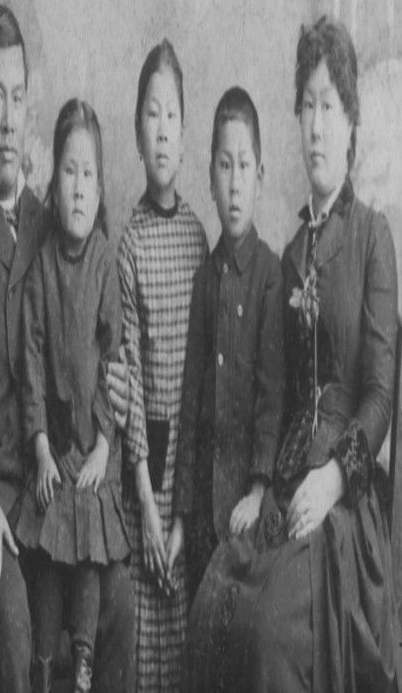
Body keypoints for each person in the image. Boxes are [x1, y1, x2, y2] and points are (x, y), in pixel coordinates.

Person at [0, 4, 133, 692]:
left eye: (18, 97)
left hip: (54, 494)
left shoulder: (51, 221)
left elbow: (96, 335)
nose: (9, 119)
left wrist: (114, 388)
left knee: (119, 604)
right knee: (13, 619)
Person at [185, 16, 400, 692]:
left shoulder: (372, 237)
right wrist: (260, 491)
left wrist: (334, 478)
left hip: (344, 502)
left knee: (269, 630)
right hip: (286, 483)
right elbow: (278, 395)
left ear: (351, 122)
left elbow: (381, 393)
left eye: (329, 107)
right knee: (214, 604)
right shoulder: (291, 253)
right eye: (307, 107)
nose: (316, 127)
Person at [15, 98, 130, 693]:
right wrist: (39, 447)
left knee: (87, 552)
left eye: (89, 174)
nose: (79, 187)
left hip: (92, 456)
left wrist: (106, 447)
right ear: (53, 185)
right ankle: (42, 667)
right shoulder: (40, 269)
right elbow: (31, 363)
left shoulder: (106, 263)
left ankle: (82, 666)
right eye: (69, 172)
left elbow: (115, 359)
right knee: (44, 555)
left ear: (100, 186)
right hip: (54, 453)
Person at [118, 39, 207, 691]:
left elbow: (201, 386)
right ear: (138, 132)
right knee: (141, 641)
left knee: (186, 647)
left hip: (188, 479)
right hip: (142, 474)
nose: (163, 129)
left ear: (185, 129)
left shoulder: (199, 238)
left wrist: (179, 519)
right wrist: (149, 506)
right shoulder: (128, 244)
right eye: (152, 114)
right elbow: (130, 376)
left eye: (172, 114)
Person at [173, 86, 284, 598]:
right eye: (224, 166)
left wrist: (258, 492)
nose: (234, 184)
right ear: (209, 178)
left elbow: (271, 397)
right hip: (203, 512)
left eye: (243, 166)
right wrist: (181, 514)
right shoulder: (205, 279)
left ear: (260, 175)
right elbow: (190, 401)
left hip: (247, 511)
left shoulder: (270, 275)